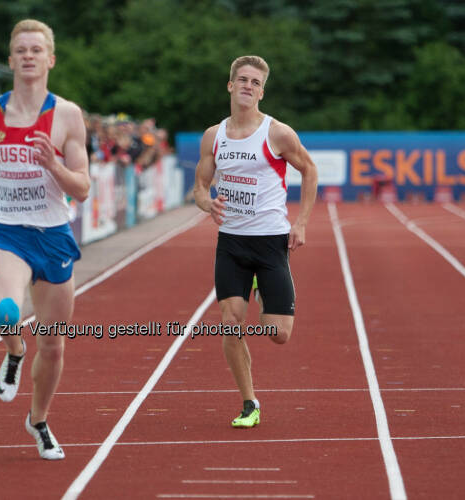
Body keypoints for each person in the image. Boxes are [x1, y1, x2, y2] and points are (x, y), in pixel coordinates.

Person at [0, 19, 90, 460]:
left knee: (55, 346)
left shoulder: (67, 115)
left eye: (36, 50)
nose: (28, 56)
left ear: (50, 59)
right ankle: (13, 349)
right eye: (20, 50)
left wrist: (54, 166)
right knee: (7, 309)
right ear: (10, 60)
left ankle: (38, 421)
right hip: (5, 230)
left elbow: (81, 188)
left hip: (54, 235)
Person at [193, 55, 318, 428]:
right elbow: (200, 186)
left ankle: (265, 290)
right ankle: (249, 403)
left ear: (262, 91)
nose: (248, 86)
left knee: (278, 334)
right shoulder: (213, 136)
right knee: (231, 323)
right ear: (230, 86)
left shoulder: (277, 133)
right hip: (231, 243)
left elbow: (309, 170)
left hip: (270, 242)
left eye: (255, 82)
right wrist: (206, 203)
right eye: (242, 80)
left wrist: (303, 222)